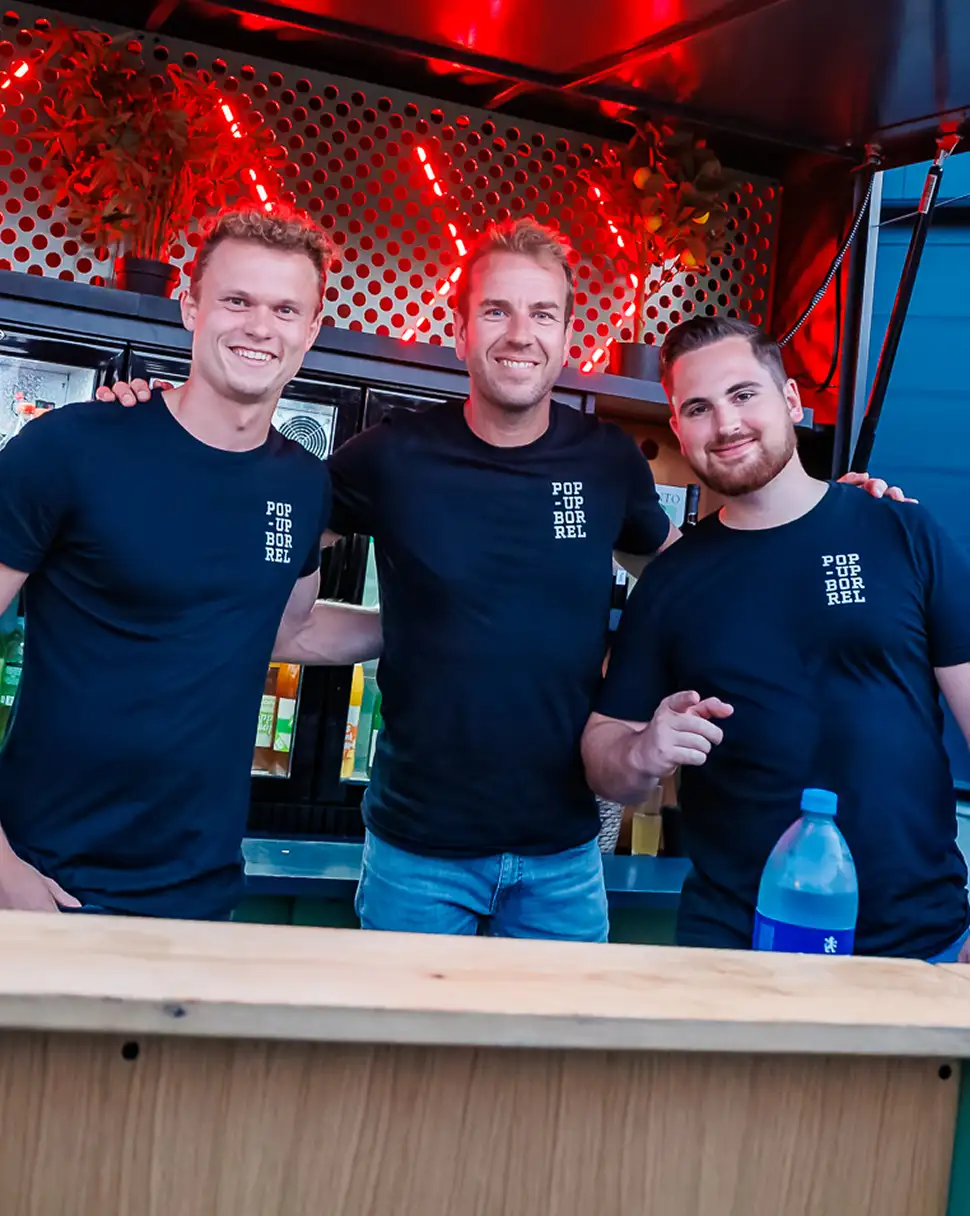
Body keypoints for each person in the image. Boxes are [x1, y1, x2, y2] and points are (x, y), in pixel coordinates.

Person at [105, 218, 902, 942]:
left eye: (542, 315)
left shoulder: (606, 461)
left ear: (565, 340)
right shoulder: (391, 455)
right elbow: (259, 522)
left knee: (551, 1095)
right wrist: (152, 422)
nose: (520, 335)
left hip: (564, 854)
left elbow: (700, 572)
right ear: (459, 331)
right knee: (405, 1087)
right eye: (496, 311)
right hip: (415, 854)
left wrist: (827, 513)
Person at [0, 206, 380, 920]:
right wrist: (3, 871)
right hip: (40, 879)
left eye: (283, 308)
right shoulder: (71, 447)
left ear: (310, 331)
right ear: (190, 307)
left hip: (200, 890)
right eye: (236, 300)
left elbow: (287, 632)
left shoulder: (302, 484)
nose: (259, 326)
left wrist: (424, 622)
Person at [582, 315, 970, 961]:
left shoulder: (900, 532)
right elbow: (604, 755)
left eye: (744, 395)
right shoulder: (672, 580)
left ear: (789, 400)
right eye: (699, 408)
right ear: (678, 429)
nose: (726, 424)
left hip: (924, 946)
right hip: (736, 951)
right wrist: (645, 750)